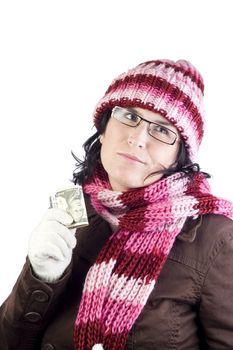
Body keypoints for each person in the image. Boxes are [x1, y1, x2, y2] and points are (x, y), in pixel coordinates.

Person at [0, 59, 233, 350]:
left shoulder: (217, 239)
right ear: (103, 128)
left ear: (179, 157)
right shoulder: (74, 212)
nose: (137, 138)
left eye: (162, 130)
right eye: (129, 116)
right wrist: (41, 277)